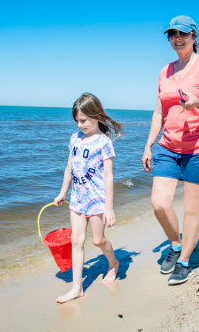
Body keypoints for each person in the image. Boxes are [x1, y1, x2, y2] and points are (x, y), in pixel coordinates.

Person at [142, 15, 199, 285]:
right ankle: (176, 243)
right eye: (172, 34)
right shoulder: (165, 70)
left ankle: (184, 259)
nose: (177, 38)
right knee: (159, 204)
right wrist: (148, 144)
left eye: (184, 33)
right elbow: (159, 111)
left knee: (192, 209)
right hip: (168, 147)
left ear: (194, 37)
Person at [53, 93, 124, 303]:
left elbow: (109, 176)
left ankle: (113, 264)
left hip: (97, 199)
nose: (80, 124)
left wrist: (109, 208)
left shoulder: (104, 143)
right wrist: (63, 192)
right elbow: (69, 168)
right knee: (76, 240)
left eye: (83, 120)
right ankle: (77, 288)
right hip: (77, 198)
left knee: (97, 240)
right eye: (77, 120)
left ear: (96, 115)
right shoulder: (74, 138)